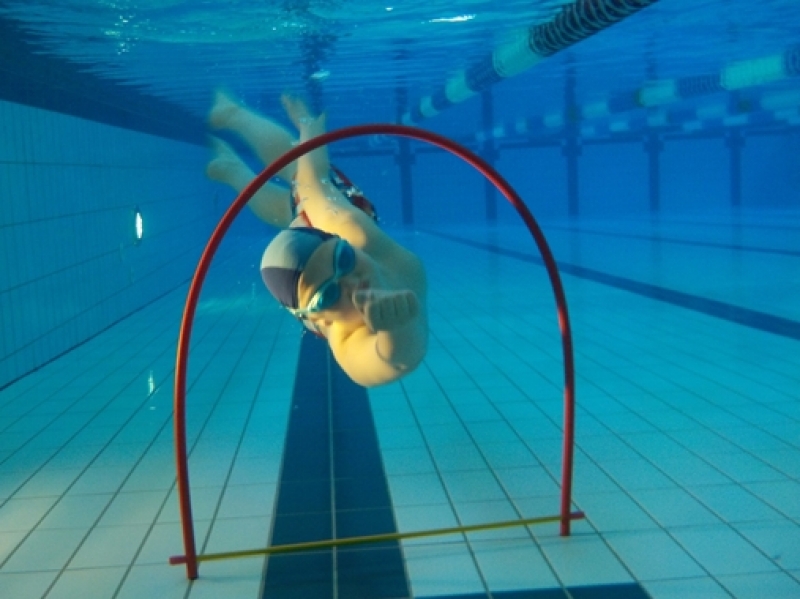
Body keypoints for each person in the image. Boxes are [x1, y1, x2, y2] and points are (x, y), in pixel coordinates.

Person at [206, 92, 428, 388]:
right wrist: (396, 332)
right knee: (283, 208)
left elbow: (311, 181)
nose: (351, 282)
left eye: (344, 260)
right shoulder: (344, 336)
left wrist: (309, 129)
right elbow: (392, 362)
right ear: (319, 319)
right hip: (309, 270)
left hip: (322, 216)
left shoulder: (350, 229)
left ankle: (233, 116)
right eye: (329, 295)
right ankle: (234, 169)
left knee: (296, 172)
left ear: (342, 244)